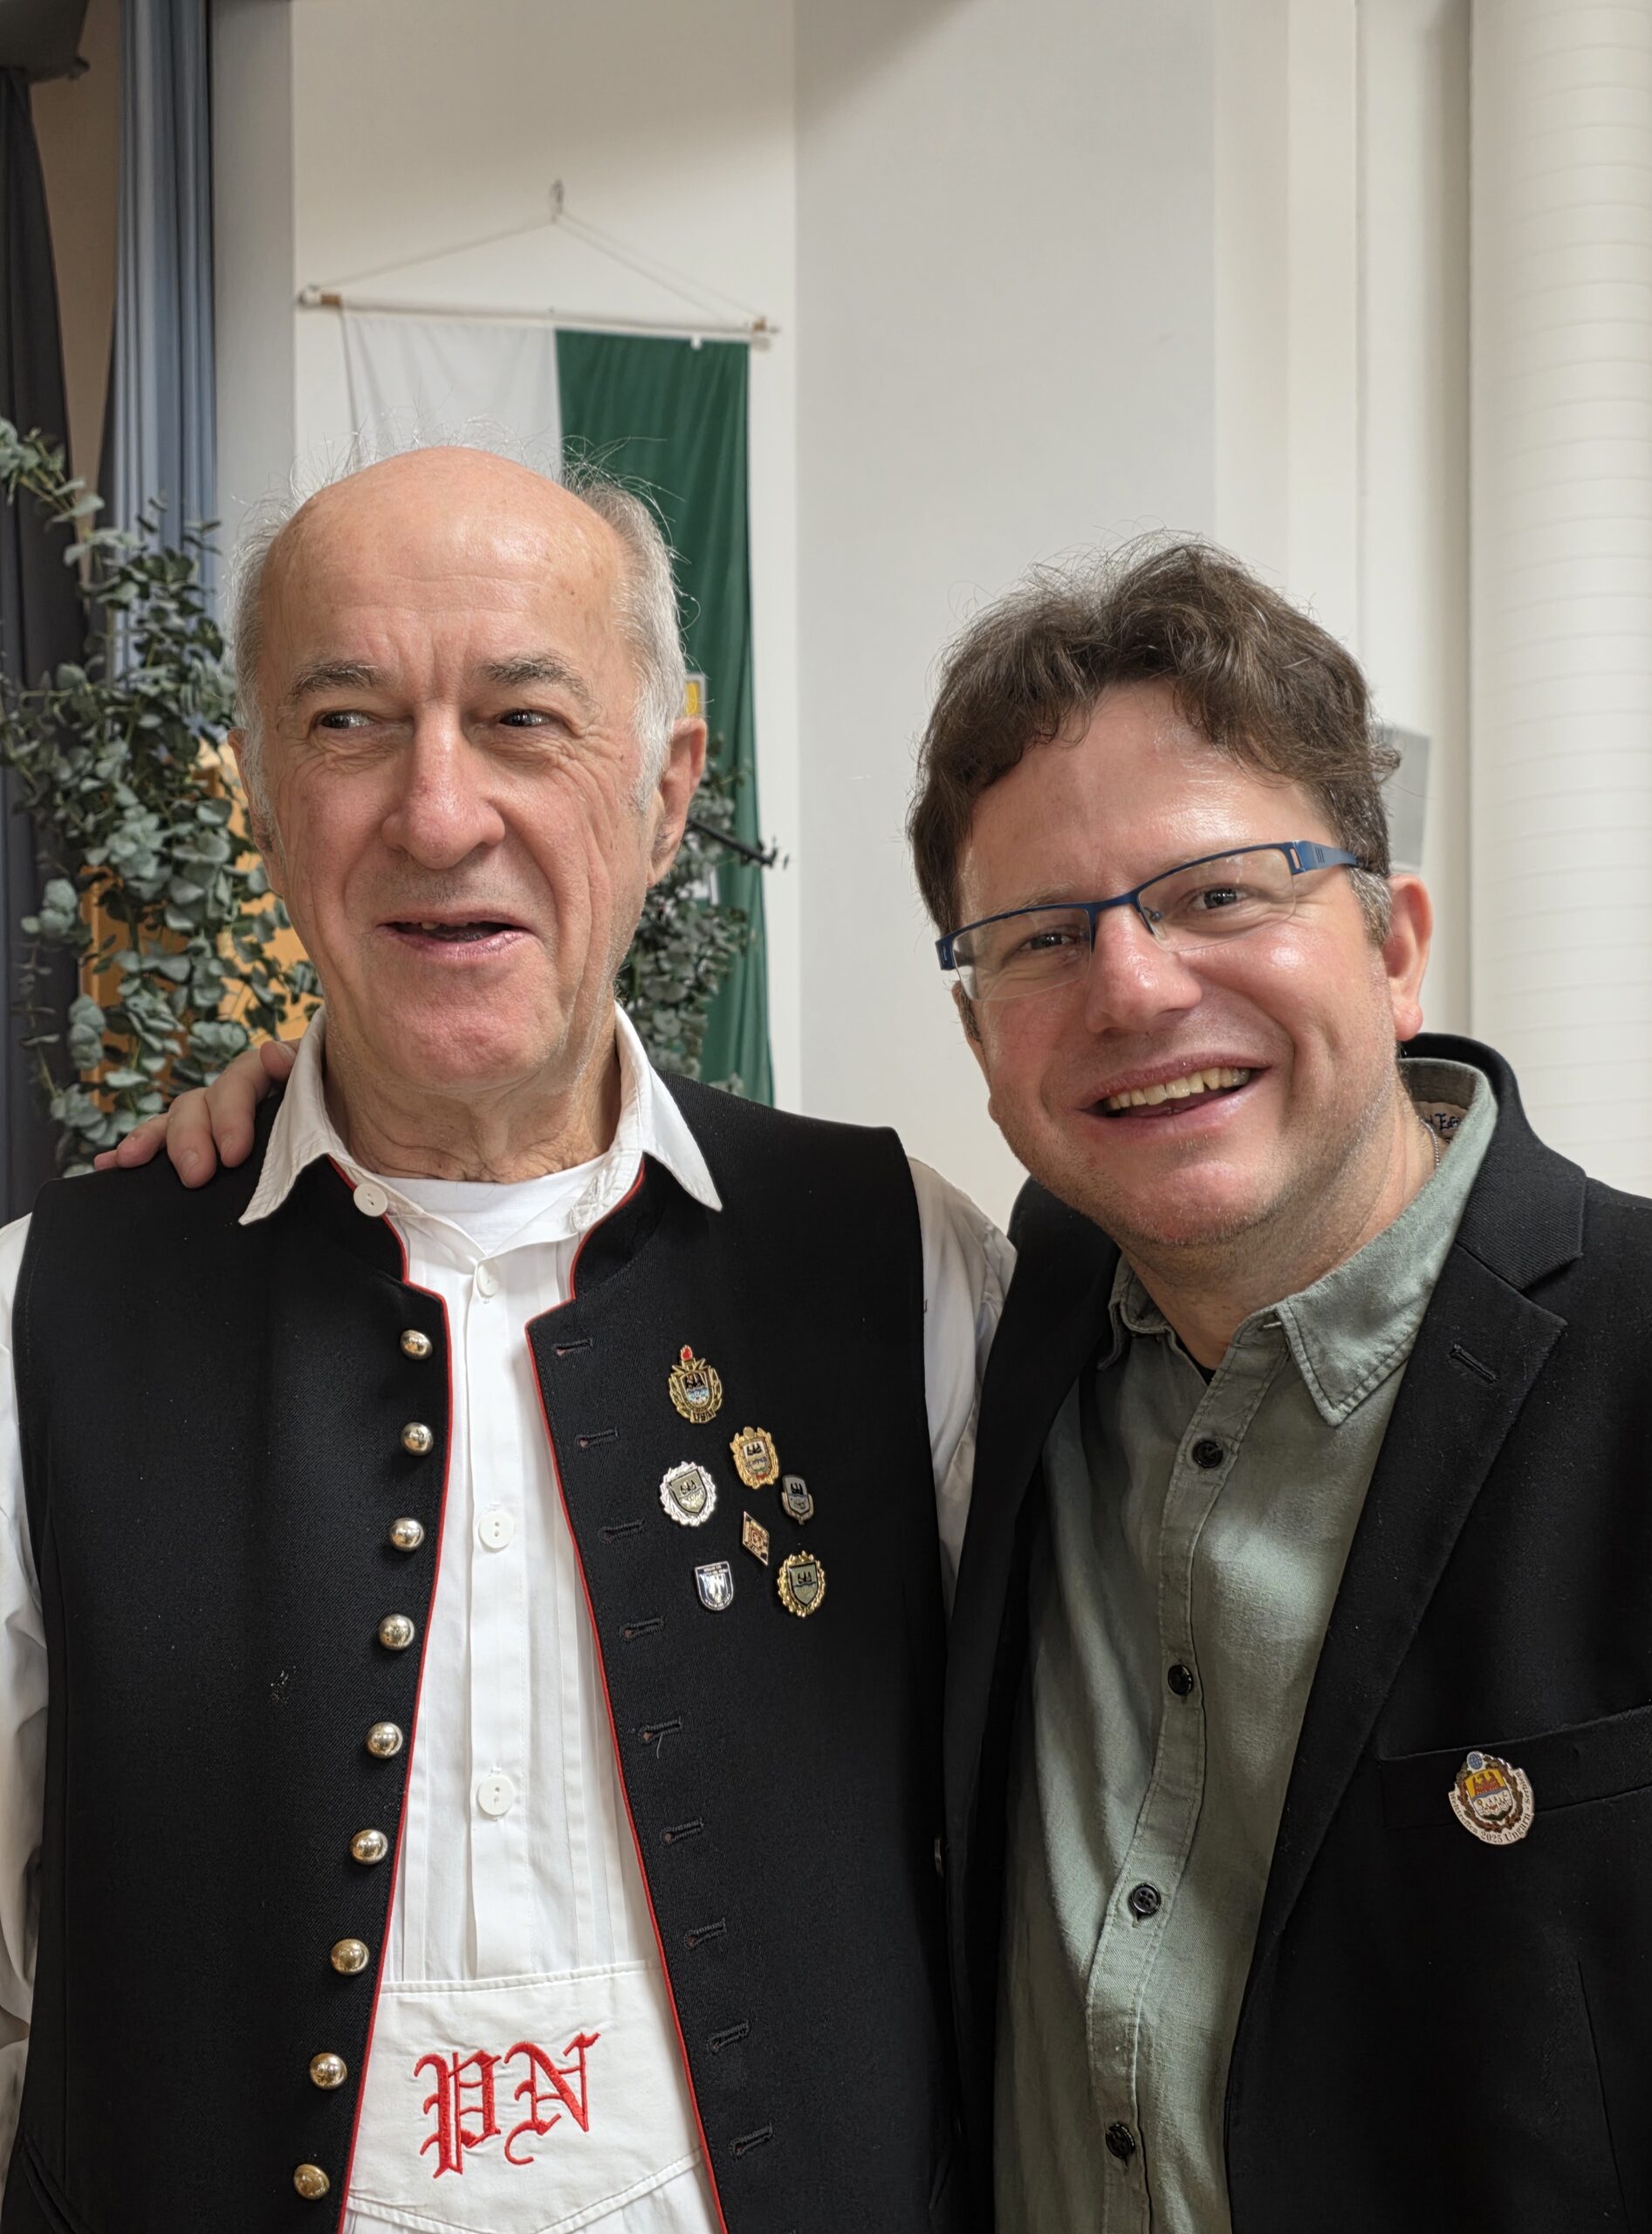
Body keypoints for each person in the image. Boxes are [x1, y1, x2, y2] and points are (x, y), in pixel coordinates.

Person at [0, 446, 1006, 2234]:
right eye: (347, 724)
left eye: (524, 719)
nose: (439, 811)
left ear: (667, 789)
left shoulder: (902, 1262)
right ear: (258, 799)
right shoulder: (44, 1315)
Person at [907, 541, 1652, 2233]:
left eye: (1221, 894)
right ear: (982, 1046)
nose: (1133, 985)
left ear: (1396, 947)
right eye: (1042, 936)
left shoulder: (1650, 1363)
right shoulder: (1003, 1327)